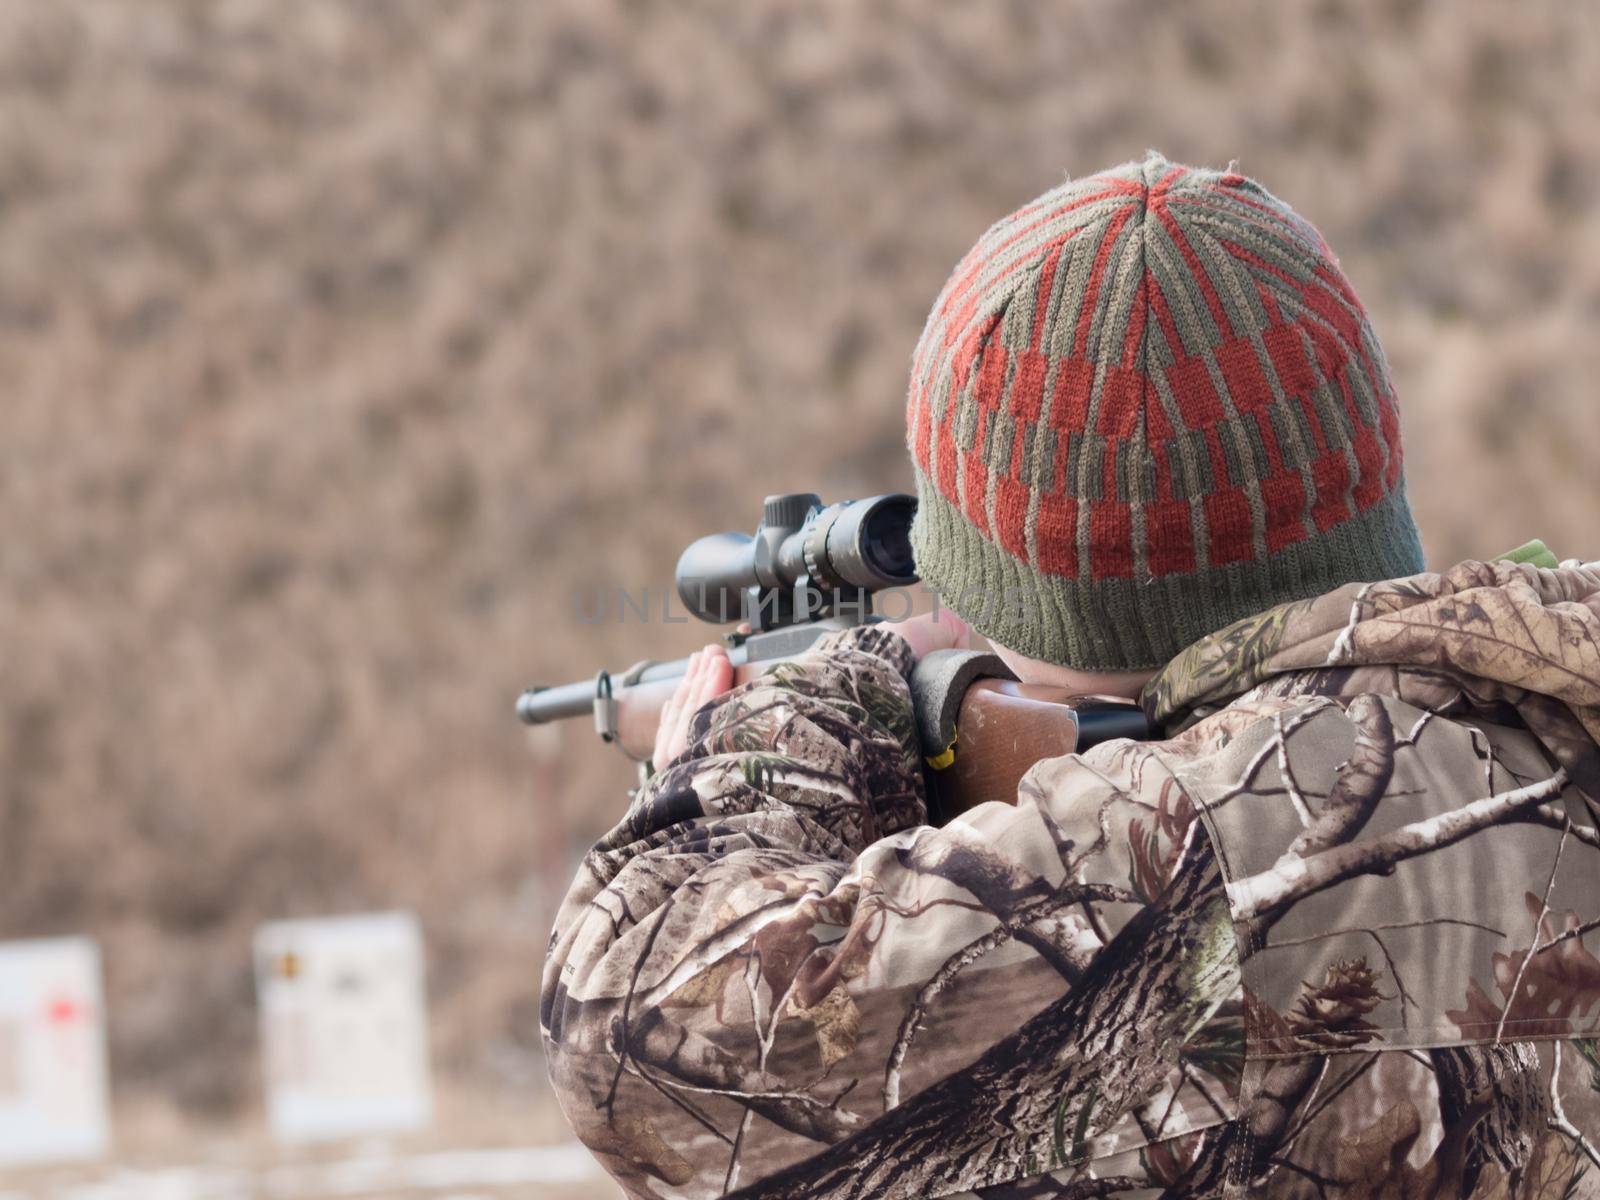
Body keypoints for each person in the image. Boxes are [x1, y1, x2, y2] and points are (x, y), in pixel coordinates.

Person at [541, 153, 1600, 1199]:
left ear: (1005, 586)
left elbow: (632, 1043)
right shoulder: (1544, 706)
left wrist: (766, 749)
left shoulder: (1214, 842)